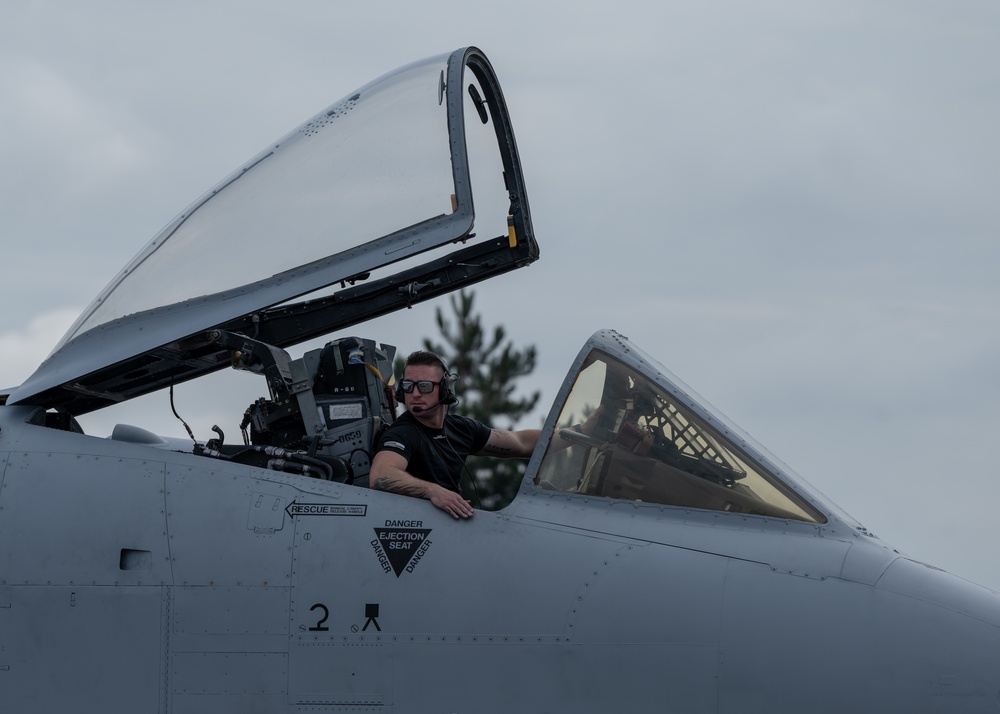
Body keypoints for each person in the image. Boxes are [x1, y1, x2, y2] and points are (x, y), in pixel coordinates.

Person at [370, 350, 540, 519]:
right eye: (408, 386)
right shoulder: (402, 433)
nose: (415, 394)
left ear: (445, 388)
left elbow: (521, 442)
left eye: (424, 386)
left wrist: (564, 436)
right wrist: (432, 491)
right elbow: (381, 475)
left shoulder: (461, 429)